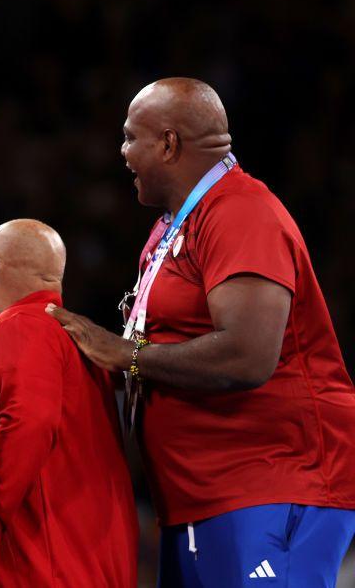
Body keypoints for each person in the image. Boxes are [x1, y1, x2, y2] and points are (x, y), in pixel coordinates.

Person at [48, 78, 355, 587]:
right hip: (200, 495)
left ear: (168, 144)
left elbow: (247, 355)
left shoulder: (240, 211)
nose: (122, 153)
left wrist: (125, 354)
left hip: (270, 485)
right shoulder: (172, 229)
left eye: (130, 138)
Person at [0, 219, 137, 588]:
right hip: (79, 564)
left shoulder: (22, 326)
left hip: (37, 569)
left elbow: (30, 422)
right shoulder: (74, 341)